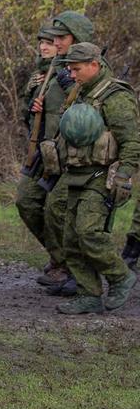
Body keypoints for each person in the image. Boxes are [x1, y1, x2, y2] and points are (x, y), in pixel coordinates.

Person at [49, 43, 137, 314]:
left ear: (94, 65)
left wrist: (123, 175)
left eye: (76, 69)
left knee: (88, 231)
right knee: (71, 238)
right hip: (77, 173)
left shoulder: (114, 96)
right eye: (70, 69)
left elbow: (132, 141)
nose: (72, 75)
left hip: (101, 173)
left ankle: (120, 276)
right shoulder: (81, 93)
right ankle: (89, 293)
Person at [19, 11, 93, 297]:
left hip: (72, 154)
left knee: (58, 212)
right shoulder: (49, 70)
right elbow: (30, 113)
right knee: (27, 202)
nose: (52, 44)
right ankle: (60, 257)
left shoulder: (82, 69)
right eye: (49, 39)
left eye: (60, 38)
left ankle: (73, 268)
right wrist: (32, 106)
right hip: (44, 152)